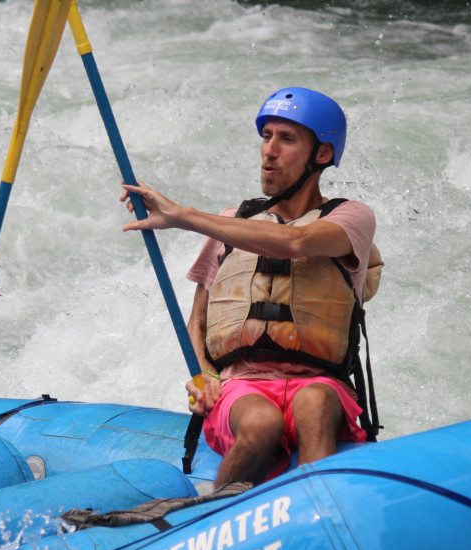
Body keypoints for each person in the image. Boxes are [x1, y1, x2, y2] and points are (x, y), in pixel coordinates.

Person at [122, 87, 382, 487]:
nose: (269, 151)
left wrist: (183, 216)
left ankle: (320, 515)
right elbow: (199, 319)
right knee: (262, 423)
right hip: (242, 386)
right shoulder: (231, 223)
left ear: (323, 155)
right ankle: (214, 521)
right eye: (266, 137)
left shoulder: (352, 218)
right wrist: (202, 375)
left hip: (321, 381)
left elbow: (297, 242)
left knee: (314, 402)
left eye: (287, 139)